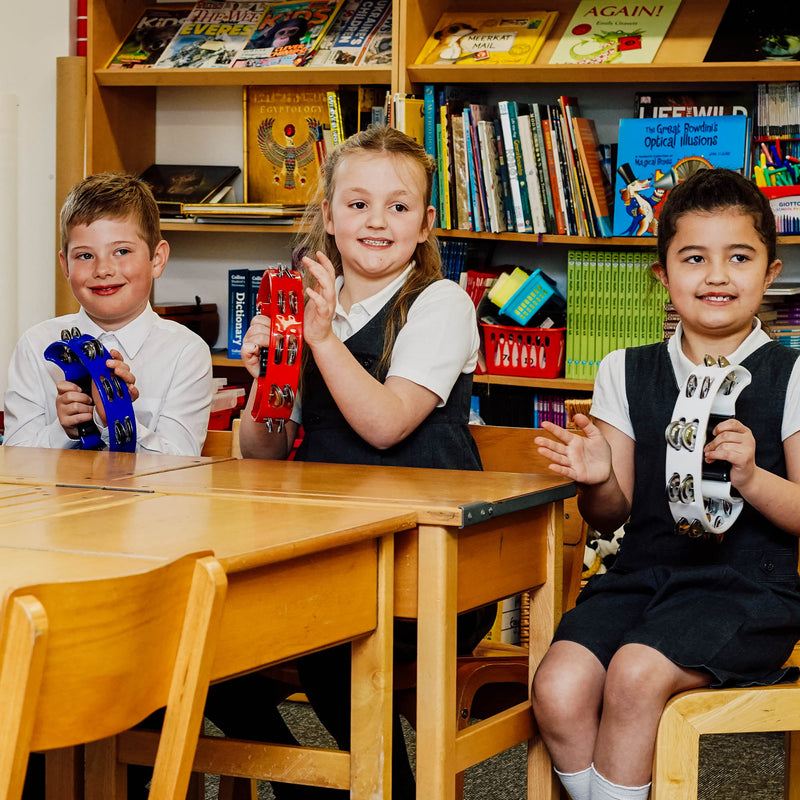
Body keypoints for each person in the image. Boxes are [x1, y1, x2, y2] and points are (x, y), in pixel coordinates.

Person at [205, 125, 494, 799]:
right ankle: (312, 786)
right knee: (212, 649)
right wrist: (268, 380)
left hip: (435, 569)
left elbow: (388, 425)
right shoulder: (312, 313)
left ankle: (388, 789)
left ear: (425, 226)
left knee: (336, 653)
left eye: (399, 207)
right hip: (335, 557)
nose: (376, 221)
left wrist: (321, 341)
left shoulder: (440, 304)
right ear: (329, 217)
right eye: (358, 204)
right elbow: (264, 457)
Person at [531, 167, 800, 800]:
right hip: (641, 579)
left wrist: (753, 477)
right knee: (559, 685)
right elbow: (607, 517)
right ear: (662, 275)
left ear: (769, 272)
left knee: (633, 673)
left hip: (748, 591)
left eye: (739, 257)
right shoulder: (625, 370)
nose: (715, 276)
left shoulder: (791, 376)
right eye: (693, 258)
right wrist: (595, 477)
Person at [4, 172, 213, 456]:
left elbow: (181, 462)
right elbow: (14, 463)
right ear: (65, 265)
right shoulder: (35, 345)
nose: (103, 270)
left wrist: (112, 420)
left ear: (157, 259)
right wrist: (62, 430)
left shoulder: (186, 352)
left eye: (122, 251)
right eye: (85, 256)